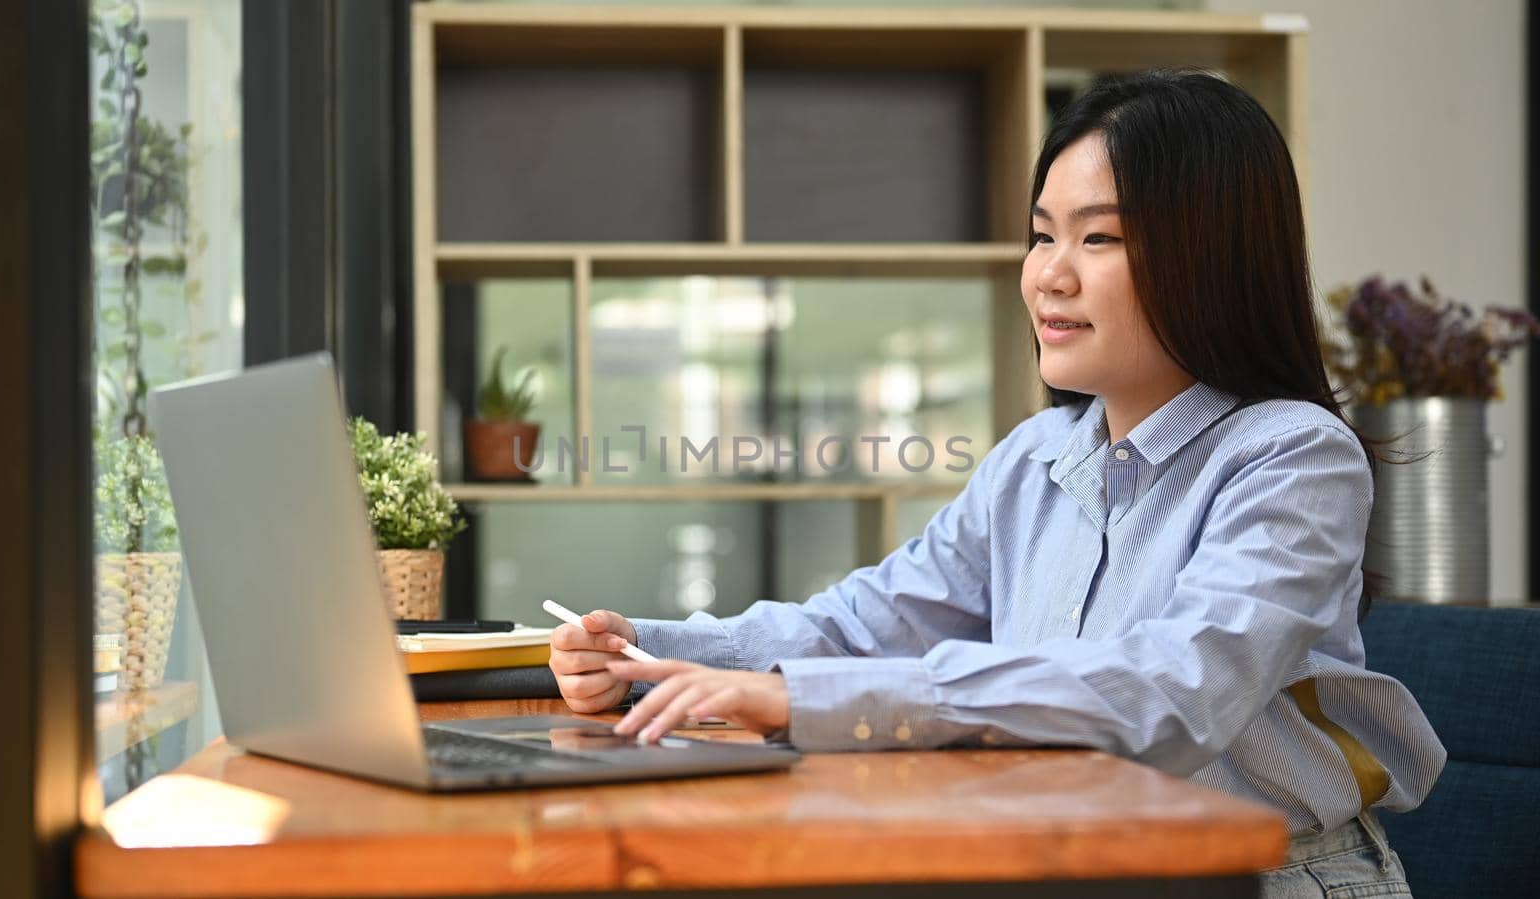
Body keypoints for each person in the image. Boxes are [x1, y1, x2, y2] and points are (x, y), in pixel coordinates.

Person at [548, 69, 1444, 898]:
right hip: (1063, 865)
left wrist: (800, 699)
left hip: (1261, 877)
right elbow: (865, 624)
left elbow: (1168, 692)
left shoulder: (1292, 455)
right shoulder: (1035, 457)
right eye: (1042, 235)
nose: (1050, 275)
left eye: (1099, 237)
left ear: (1212, 256)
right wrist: (644, 654)